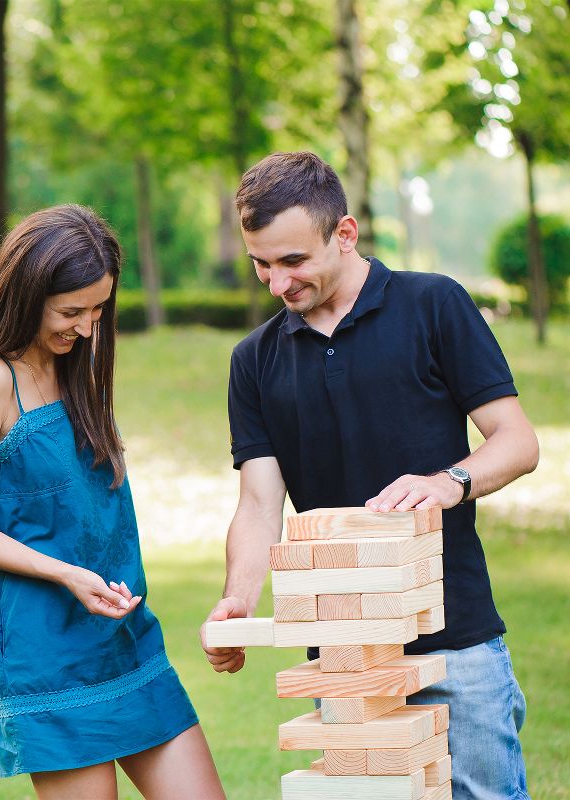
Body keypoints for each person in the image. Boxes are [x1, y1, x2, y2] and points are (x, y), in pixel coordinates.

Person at [200, 152, 538, 800]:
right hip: (342, 650)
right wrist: (239, 597)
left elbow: (517, 441)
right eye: (260, 264)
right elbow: (259, 504)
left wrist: (448, 481)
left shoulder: (434, 305)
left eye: (292, 261)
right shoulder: (253, 361)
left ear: (345, 234)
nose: (276, 283)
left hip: (456, 639)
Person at [0, 205, 224, 800]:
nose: (89, 327)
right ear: (25, 295)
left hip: (126, 639)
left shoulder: (75, 368)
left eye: (99, 309)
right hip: (49, 658)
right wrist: (65, 574)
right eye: (72, 312)